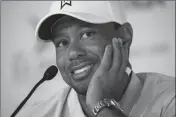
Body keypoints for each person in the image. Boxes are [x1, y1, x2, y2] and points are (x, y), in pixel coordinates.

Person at [17, 1, 175, 117]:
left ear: (125, 37)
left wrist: (102, 104)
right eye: (62, 43)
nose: (72, 53)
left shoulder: (169, 100)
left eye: (87, 34)